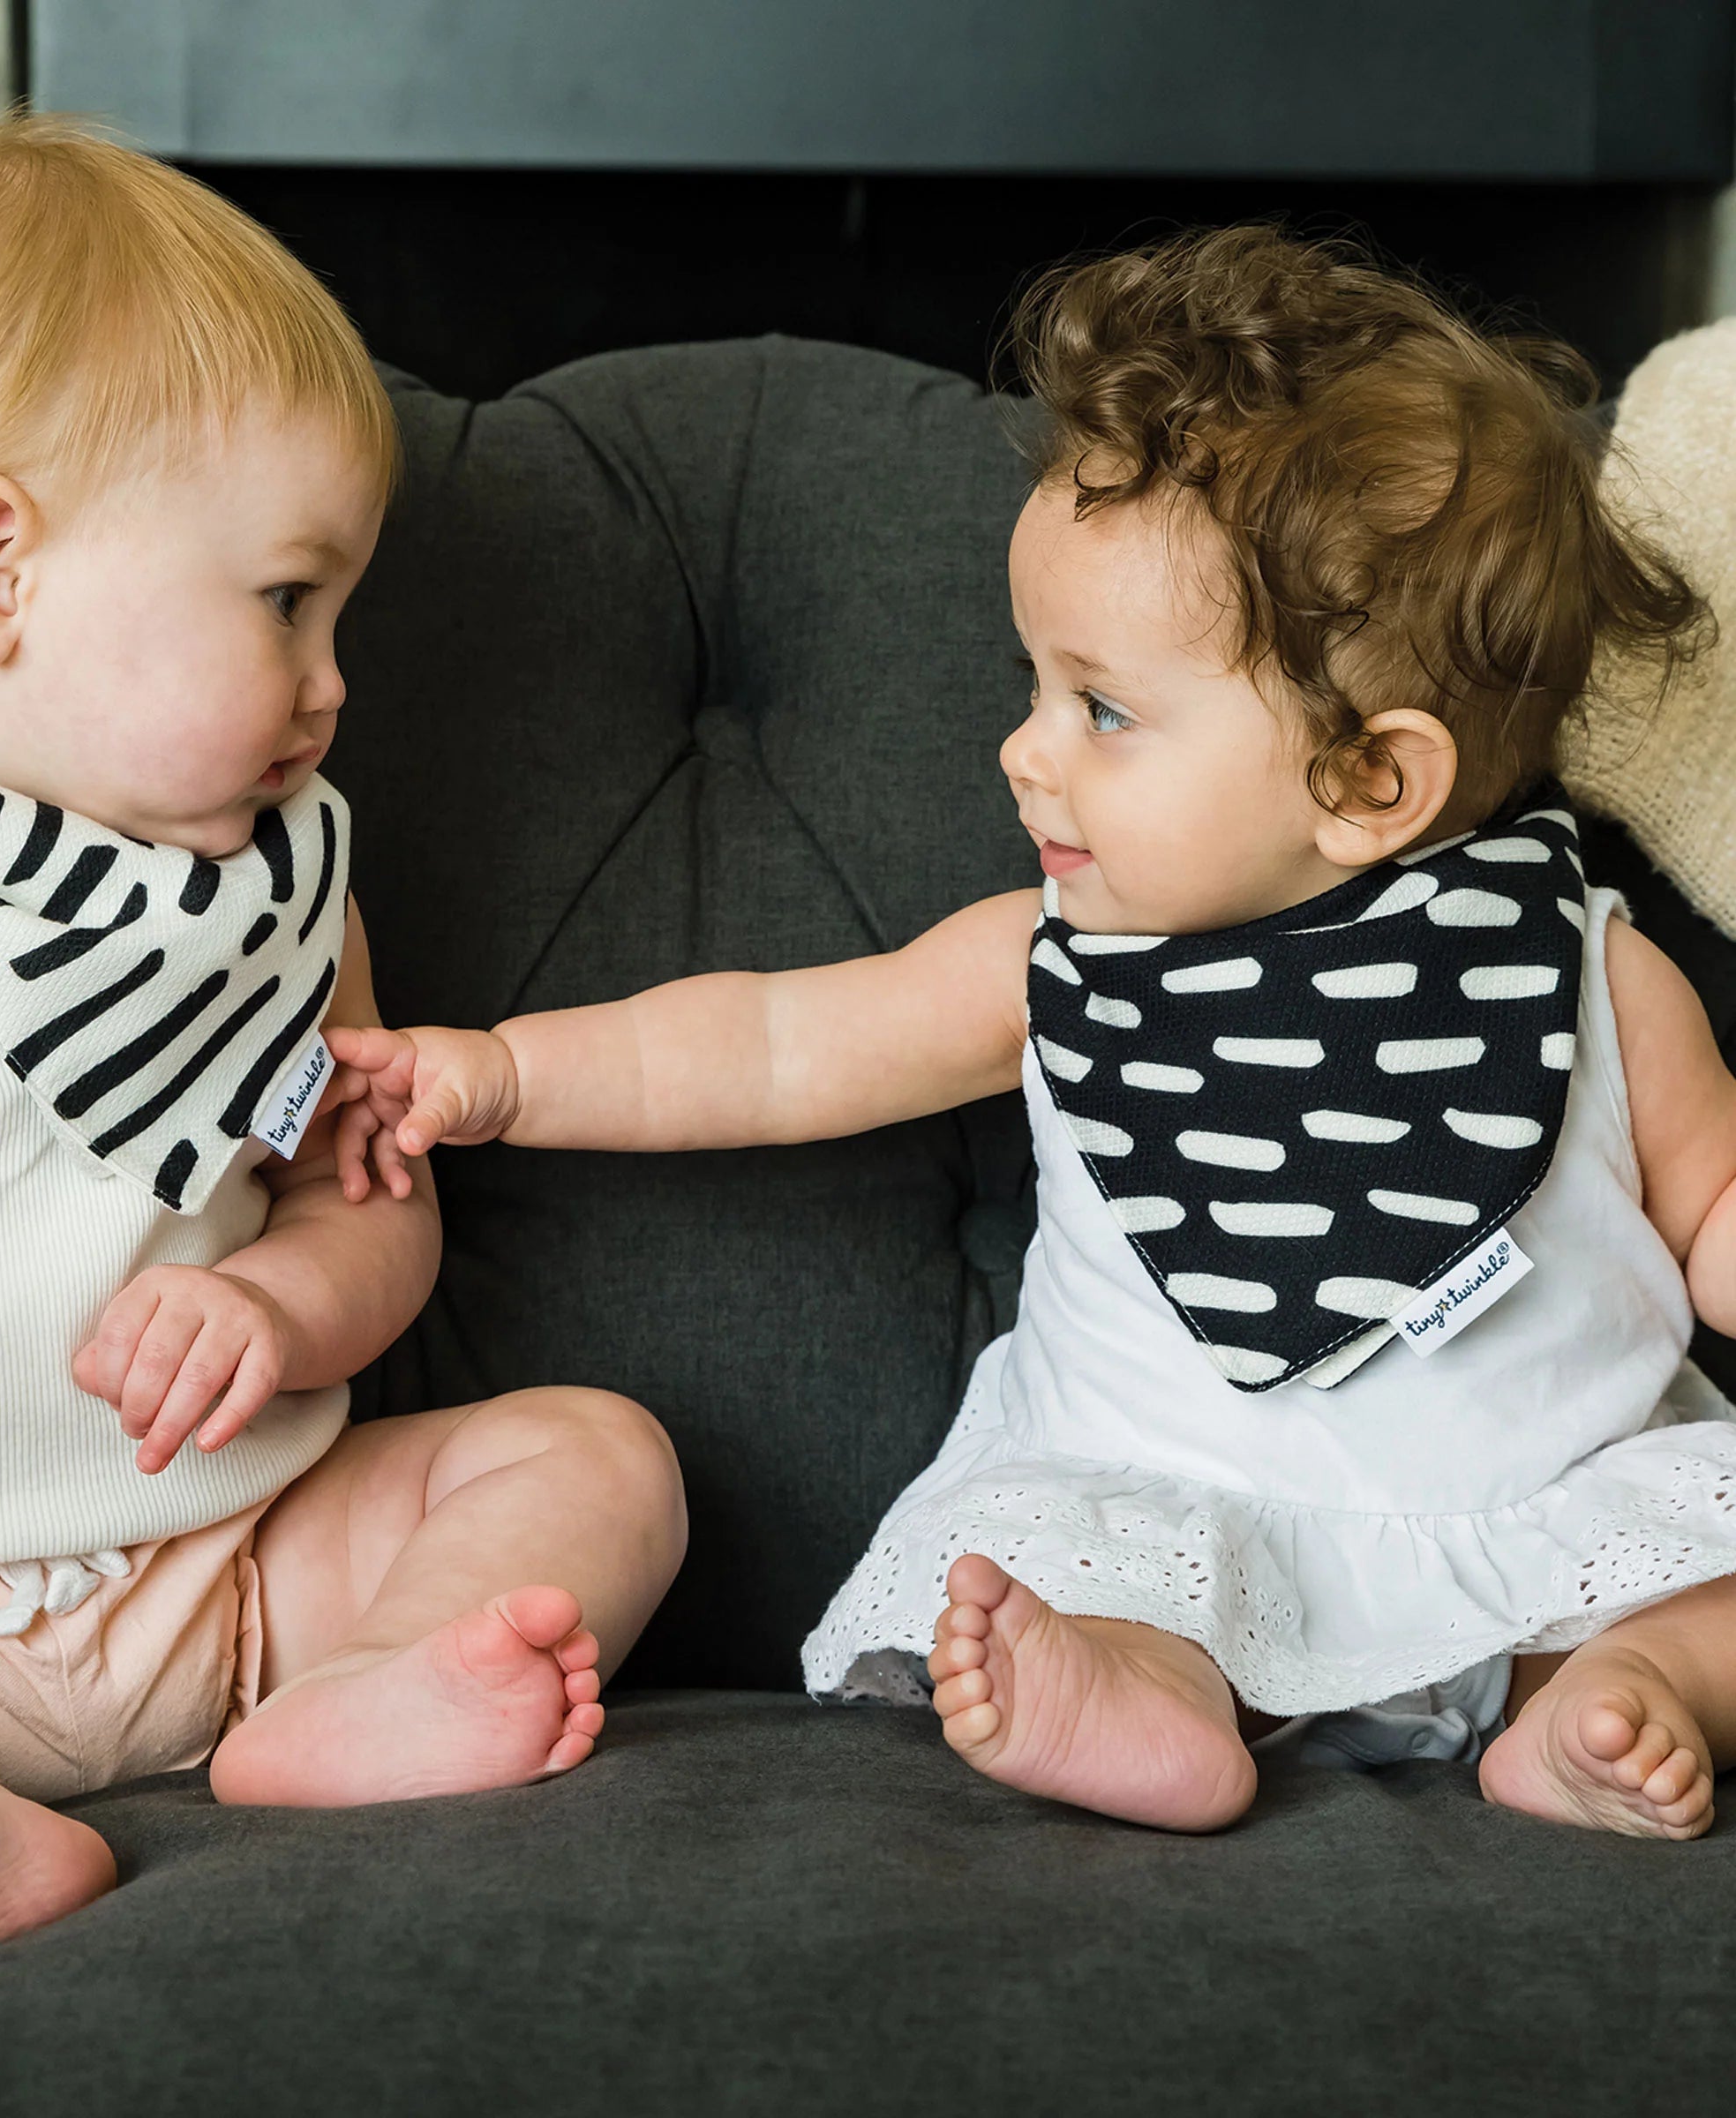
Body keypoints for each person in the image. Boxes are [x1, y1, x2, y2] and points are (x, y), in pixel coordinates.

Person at [324, 224, 1736, 1840]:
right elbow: (779, 1050)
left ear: (1371, 784)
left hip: (1549, 1526)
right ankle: (1147, 1698)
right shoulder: (1058, 964)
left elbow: (1711, 1212)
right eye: (1036, 684)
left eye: (1102, 709)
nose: (1024, 750)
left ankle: (1609, 1709)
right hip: (1183, 1521)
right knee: (1086, 1563)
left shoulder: (1588, 975)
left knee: (1713, 1583)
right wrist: (505, 1076)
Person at [0, 113, 686, 1957]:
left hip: (229, 1566)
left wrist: (278, 1304)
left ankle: (360, 1691)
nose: (336, 682)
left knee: (604, 1456)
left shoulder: (279, 901)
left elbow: (371, 1207)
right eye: (287, 601)